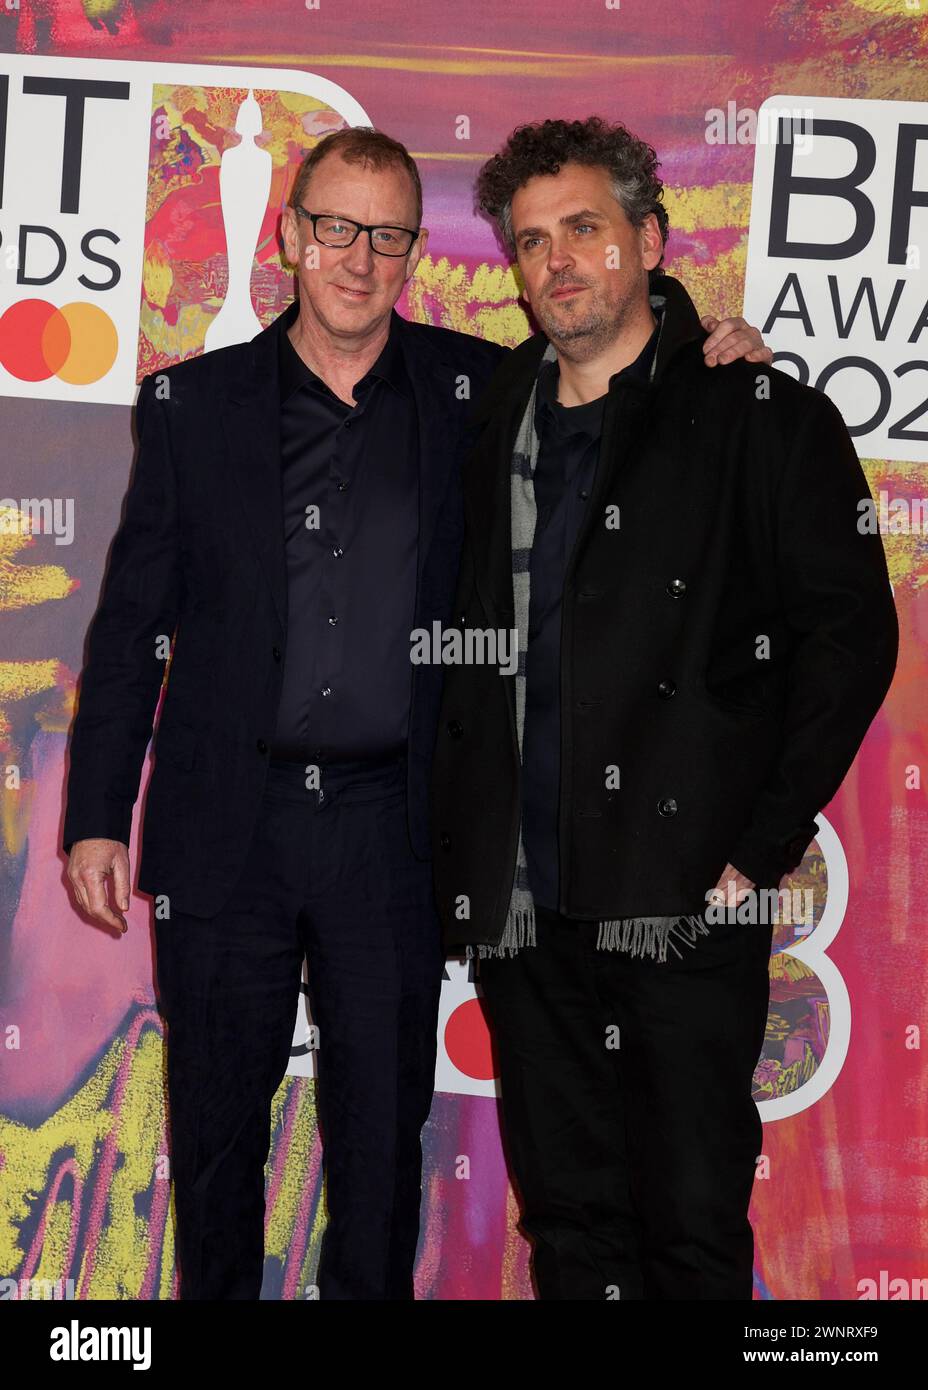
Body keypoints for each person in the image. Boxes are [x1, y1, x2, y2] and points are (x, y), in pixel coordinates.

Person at [62, 124, 770, 1300]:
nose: (359, 257)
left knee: (384, 1151)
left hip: (392, 830)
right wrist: (97, 810)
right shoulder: (192, 406)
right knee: (220, 1139)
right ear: (290, 236)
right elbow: (135, 623)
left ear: (413, 256)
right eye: (335, 226)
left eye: (387, 235)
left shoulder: (479, 394)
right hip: (224, 827)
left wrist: (712, 337)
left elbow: (619, 354)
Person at [430, 116, 898, 1300]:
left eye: (583, 229)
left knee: (689, 1230)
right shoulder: (488, 411)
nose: (557, 264)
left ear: (648, 237)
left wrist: (756, 845)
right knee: (573, 1232)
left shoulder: (756, 417)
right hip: (523, 908)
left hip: (683, 900)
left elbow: (848, 642)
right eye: (531, 243)